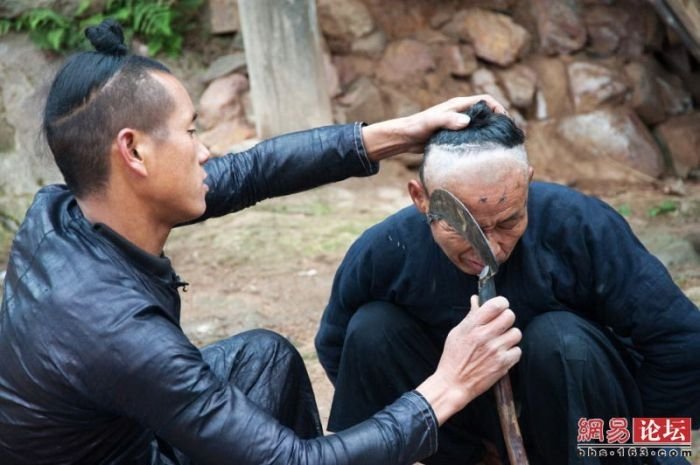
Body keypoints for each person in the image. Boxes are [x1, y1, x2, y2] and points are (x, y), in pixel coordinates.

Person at [0, 19, 523, 465]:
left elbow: (251, 171)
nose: (206, 152)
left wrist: (402, 132)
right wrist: (447, 386)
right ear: (134, 152)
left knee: (263, 359)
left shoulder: (65, 209)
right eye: (190, 132)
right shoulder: (115, 330)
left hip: (125, 435)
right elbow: (290, 461)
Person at [315, 101, 700, 465]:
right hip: (465, 425)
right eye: (462, 226)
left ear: (526, 184)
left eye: (508, 222)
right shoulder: (385, 250)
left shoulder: (580, 226)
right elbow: (339, 349)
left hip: (587, 429)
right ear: (421, 199)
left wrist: (637, 445)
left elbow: (681, 343)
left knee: (559, 338)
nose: (490, 249)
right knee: (370, 330)